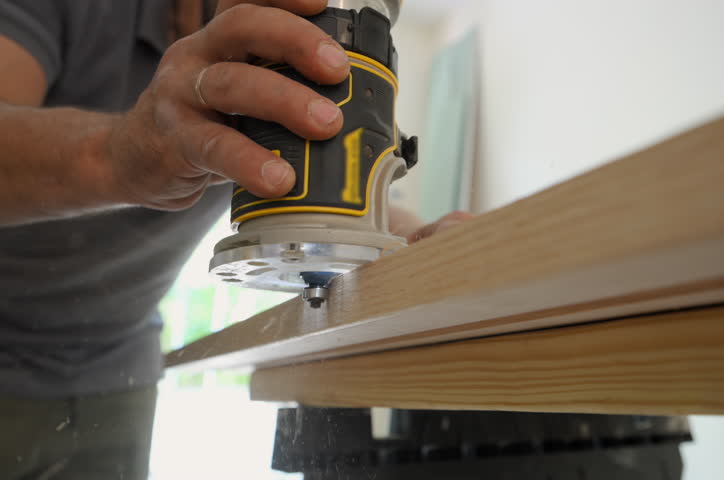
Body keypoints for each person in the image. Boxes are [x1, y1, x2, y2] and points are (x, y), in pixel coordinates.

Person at [0, 1, 469, 478]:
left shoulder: (278, 62)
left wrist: (409, 240)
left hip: (119, 358)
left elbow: (346, 173)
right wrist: (118, 153)